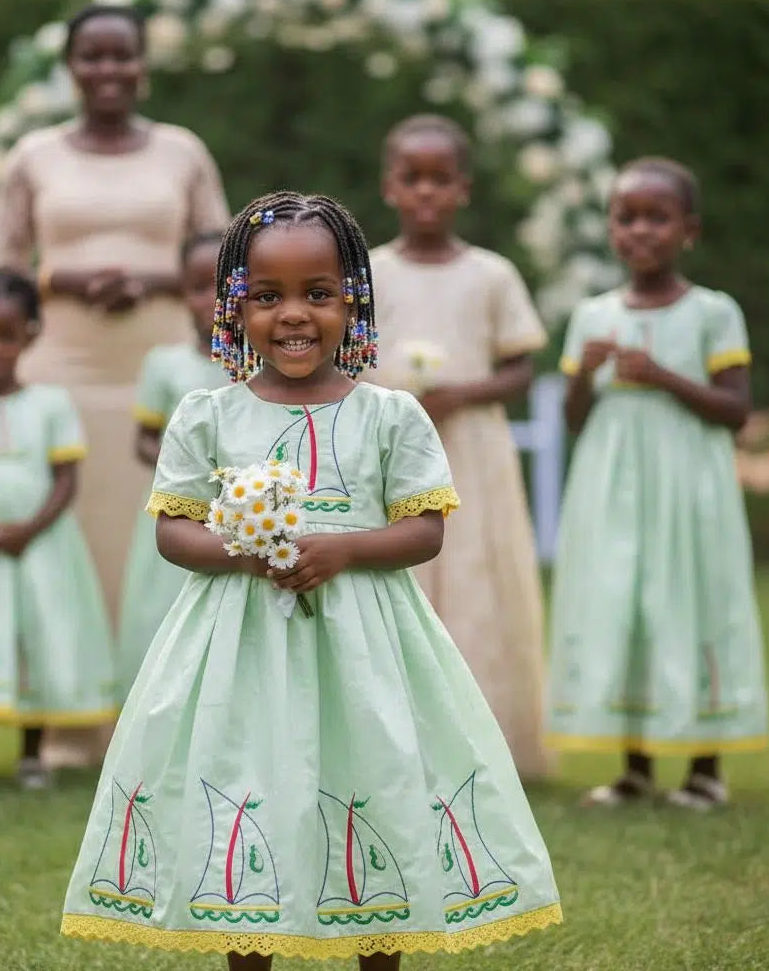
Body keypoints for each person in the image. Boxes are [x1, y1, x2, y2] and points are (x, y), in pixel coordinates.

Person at [61, 193, 561, 965]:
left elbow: (425, 530)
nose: (293, 315)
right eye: (267, 297)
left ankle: (379, 948)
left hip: (364, 647)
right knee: (247, 780)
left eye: (317, 294)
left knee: (371, 779)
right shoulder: (206, 416)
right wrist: (243, 549)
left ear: (354, 302)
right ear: (234, 309)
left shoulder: (392, 416)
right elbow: (173, 531)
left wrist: (346, 549)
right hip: (242, 649)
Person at [0, 2, 230, 768]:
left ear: (144, 65)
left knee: (161, 543)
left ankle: (165, 718)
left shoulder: (183, 152)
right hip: (64, 372)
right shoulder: (33, 156)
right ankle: (69, 726)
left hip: (168, 381)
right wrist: (66, 276)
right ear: (70, 66)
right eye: (92, 56)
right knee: (75, 550)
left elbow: (226, 260)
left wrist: (151, 278)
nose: (108, 71)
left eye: (123, 56)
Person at [547, 157, 769, 809]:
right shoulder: (590, 315)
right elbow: (573, 420)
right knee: (623, 601)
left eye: (657, 217)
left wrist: (662, 374)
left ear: (689, 230)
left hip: (687, 486)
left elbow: (735, 411)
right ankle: (634, 766)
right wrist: (585, 376)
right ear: (611, 227)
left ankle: (705, 767)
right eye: (626, 217)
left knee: (692, 596)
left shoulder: (712, 313)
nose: (639, 231)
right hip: (611, 485)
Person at [369, 115, 549, 779]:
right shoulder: (371, 273)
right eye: (411, 179)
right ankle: (398, 744)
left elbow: (521, 367)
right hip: (391, 450)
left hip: (471, 449)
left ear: (463, 188)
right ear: (389, 185)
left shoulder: (492, 275)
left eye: (439, 180)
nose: (425, 193)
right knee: (401, 579)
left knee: (476, 577)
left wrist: (462, 394)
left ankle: (486, 738)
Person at [0, 269, 116, 789]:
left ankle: (33, 753)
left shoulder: (49, 404)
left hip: (39, 549)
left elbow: (64, 480)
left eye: (6, 336)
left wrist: (27, 530)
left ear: (29, 334)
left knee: (36, 633)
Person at [116, 231, 228, 700]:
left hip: (239, 514)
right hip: (180, 509)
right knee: (162, 605)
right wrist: (178, 462)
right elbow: (143, 439)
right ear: (182, 293)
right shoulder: (163, 365)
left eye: (223, 286)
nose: (212, 300)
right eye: (198, 287)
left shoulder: (259, 368)